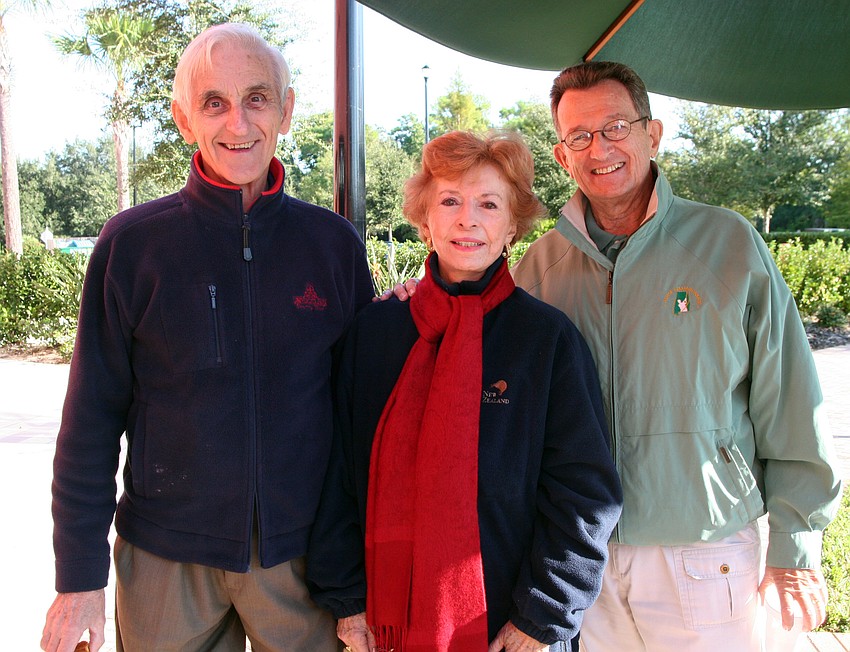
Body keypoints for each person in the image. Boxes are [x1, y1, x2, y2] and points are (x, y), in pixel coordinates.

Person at [40, 23, 374, 652]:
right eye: (213, 103)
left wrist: (356, 582)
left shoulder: (331, 245)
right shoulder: (132, 244)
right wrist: (79, 577)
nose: (238, 123)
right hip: (165, 561)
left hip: (303, 563)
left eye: (256, 98)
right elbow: (89, 420)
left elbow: (362, 420)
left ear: (286, 108)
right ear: (182, 117)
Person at [508, 61, 842, 651]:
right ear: (562, 156)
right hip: (586, 558)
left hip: (707, 549)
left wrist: (794, 544)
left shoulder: (729, 244)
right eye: (579, 137)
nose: (599, 149)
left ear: (652, 133)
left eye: (615, 127)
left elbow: (790, 397)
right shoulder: (539, 268)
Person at [306, 130, 623, 652]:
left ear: (513, 225)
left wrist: (540, 617)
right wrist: (347, 601)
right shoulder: (376, 333)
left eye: (488, 204)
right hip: (387, 617)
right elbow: (336, 469)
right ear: (425, 220)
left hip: (514, 623)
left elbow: (583, 491)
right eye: (450, 200)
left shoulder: (546, 340)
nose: (467, 219)